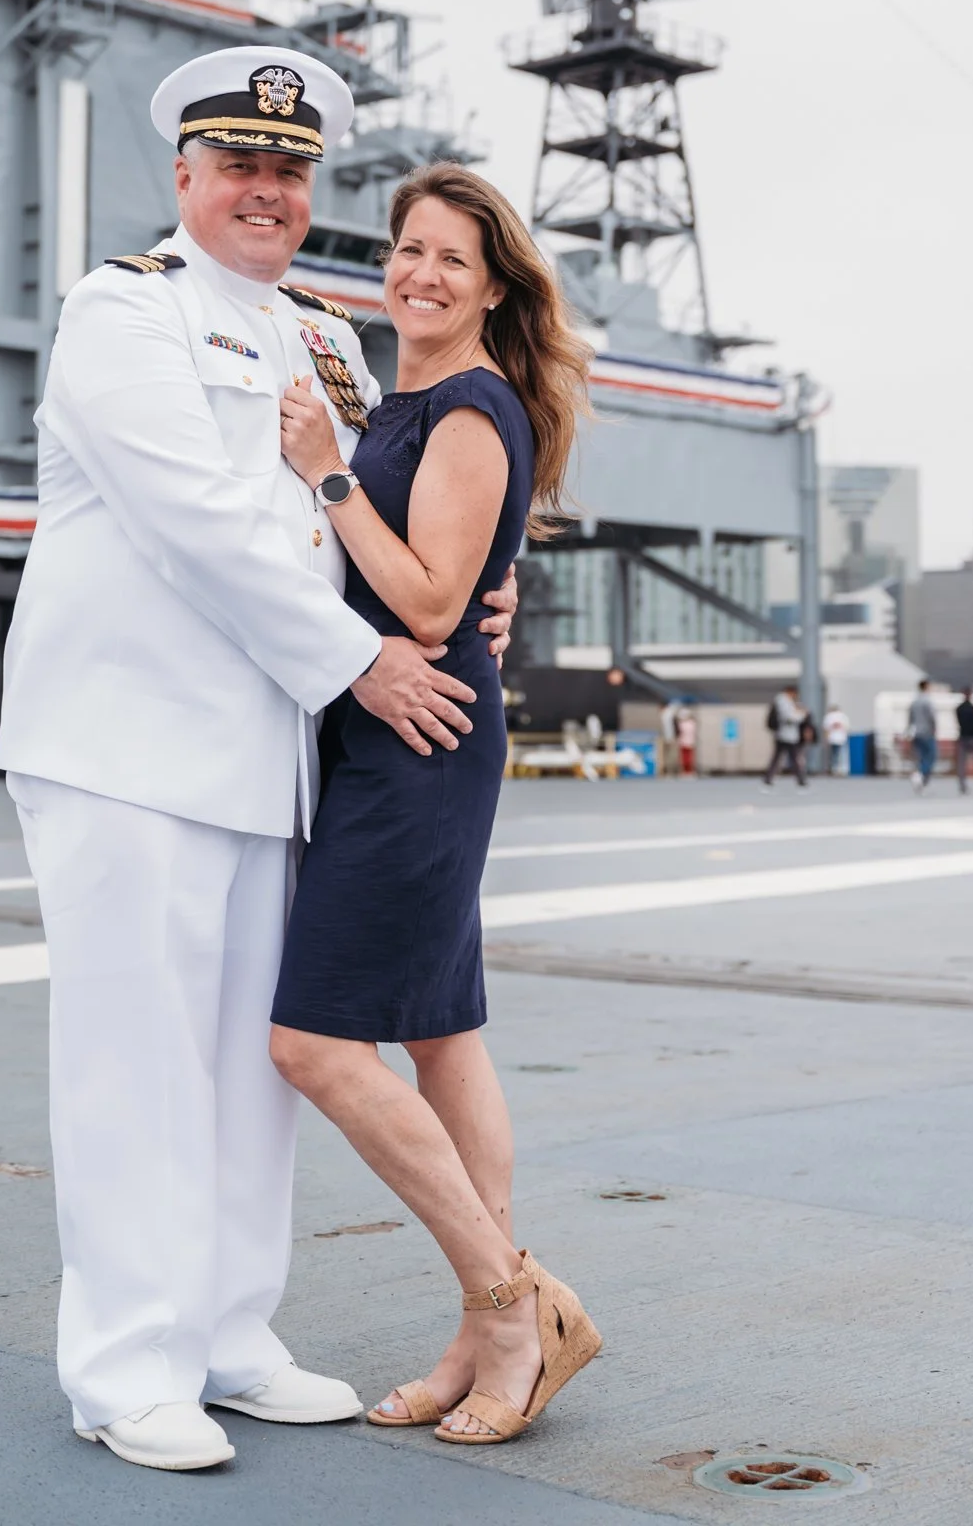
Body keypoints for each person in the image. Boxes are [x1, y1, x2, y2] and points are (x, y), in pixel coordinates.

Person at [0, 48, 516, 1474]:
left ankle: (228, 1336)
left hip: (271, 758)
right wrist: (366, 662)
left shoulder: (328, 343)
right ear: (185, 178)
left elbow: (377, 513)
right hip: (127, 745)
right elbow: (196, 524)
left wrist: (476, 591)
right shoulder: (125, 312)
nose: (266, 191)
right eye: (240, 165)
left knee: (247, 1073)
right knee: (134, 1063)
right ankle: (126, 1365)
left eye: (289, 171)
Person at [269, 163, 602, 1451]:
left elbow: (426, 604)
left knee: (312, 1044)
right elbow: (463, 578)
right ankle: (485, 1335)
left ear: (493, 285)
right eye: (408, 249)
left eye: (452, 258)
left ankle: (510, 1305)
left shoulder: (469, 406)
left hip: (421, 744)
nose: (419, 272)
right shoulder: (402, 398)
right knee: (443, 1038)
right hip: (382, 736)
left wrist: (325, 474)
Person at [762, 687, 807, 789]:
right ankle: (800, 779)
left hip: (783, 734)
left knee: (778, 757)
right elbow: (789, 717)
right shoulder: (784, 702)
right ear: (790, 692)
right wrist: (801, 715)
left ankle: (769, 777)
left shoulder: (781, 701)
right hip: (787, 735)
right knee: (793, 758)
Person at [906, 678, 938, 791]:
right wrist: (935, 729)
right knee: (931, 756)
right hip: (927, 732)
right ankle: (922, 776)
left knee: (920, 757)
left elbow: (910, 718)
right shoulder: (927, 701)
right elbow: (932, 717)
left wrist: (908, 731)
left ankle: (919, 776)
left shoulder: (914, 701)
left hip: (916, 732)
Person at [823, 701, 850, 777]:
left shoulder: (829, 716)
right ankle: (842, 770)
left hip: (833, 738)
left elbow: (826, 728)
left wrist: (826, 738)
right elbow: (847, 727)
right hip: (841, 738)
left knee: (834, 755)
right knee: (842, 755)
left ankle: (834, 769)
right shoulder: (843, 716)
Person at [674, 703, 698, 777]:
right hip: (689, 742)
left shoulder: (682, 724)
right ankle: (688, 771)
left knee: (686, 758)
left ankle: (687, 771)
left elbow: (680, 732)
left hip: (684, 742)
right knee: (688, 757)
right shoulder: (693, 723)